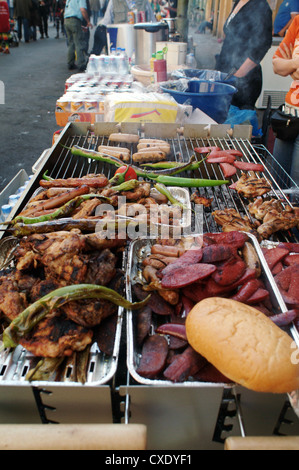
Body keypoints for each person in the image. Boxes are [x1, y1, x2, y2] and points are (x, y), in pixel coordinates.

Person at [216, 0, 272, 110]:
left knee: (238, 123)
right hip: (227, 72)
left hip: (244, 80)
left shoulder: (260, 6)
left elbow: (263, 44)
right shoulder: (238, 2)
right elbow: (232, 31)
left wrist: (238, 75)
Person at [272, 15, 299, 184]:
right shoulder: (297, 22)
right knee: (276, 181)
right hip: (288, 117)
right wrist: (296, 64)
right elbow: (276, 65)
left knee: (296, 188)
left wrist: (291, 65)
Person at [90, 0, 155, 56]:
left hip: (140, 46)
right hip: (120, 46)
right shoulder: (114, 2)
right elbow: (106, 23)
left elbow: (153, 22)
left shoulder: (144, 2)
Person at [64, 0, 92, 71]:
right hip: (75, 19)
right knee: (78, 42)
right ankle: (81, 64)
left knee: (71, 43)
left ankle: (70, 63)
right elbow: (82, 10)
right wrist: (88, 21)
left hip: (66, 20)